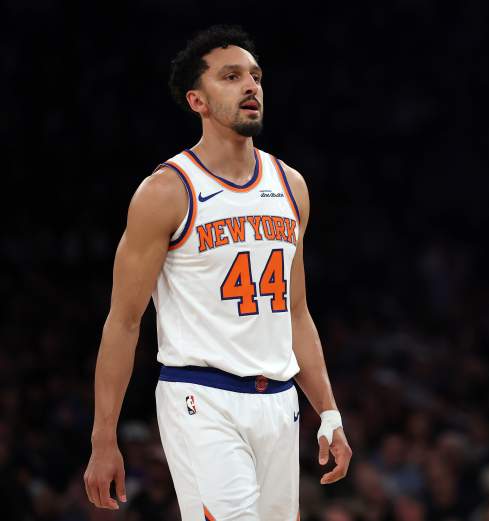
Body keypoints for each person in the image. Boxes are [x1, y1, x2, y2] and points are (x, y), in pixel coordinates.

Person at [83, 25, 352, 520]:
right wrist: (104, 438)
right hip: (201, 397)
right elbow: (123, 321)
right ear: (197, 101)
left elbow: (295, 313)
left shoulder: (290, 185)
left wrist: (329, 411)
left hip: (279, 401)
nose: (250, 86)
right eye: (231, 77)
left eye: (255, 76)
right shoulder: (166, 191)